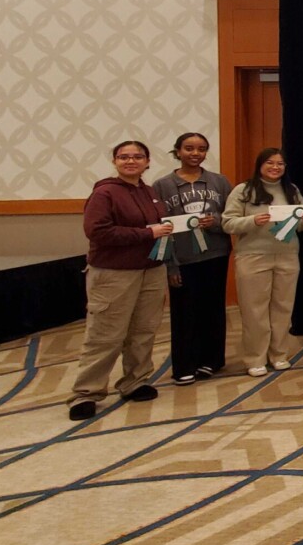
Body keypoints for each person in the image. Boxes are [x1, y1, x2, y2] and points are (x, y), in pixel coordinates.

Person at [67, 141, 170, 420]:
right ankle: (86, 393)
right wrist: (147, 234)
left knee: (143, 331)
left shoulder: (150, 192)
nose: (130, 161)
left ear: (147, 161)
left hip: (151, 271)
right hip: (114, 274)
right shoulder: (105, 193)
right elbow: (98, 232)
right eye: (124, 157)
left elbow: (159, 231)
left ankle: (135, 381)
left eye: (137, 156)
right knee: (105, 335)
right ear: (114, 161)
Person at [222, 148, 303, 375]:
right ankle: (255, 358)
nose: (276, 167)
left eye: (280, 164)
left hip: (287, 256)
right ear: (260, 165)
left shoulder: (291, 190)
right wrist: (252, 220)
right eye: (270, 163)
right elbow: (227, 223)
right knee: (255, 311)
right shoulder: (243, 190)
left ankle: (279, 354)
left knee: (283, 307)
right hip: (253, 257)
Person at [152, 132, 233, 385]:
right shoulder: (162, 185)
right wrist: (170, 265)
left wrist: (216, 221)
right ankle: (185, 365)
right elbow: (159, 226)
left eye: (201, 149)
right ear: (177, 151)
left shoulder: (219, 182)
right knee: (184, 313)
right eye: (189, 148)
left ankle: (212, 360)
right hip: (183, 259)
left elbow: (232, 217)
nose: (195, 154)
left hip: (216, 255)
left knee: (213, 309)